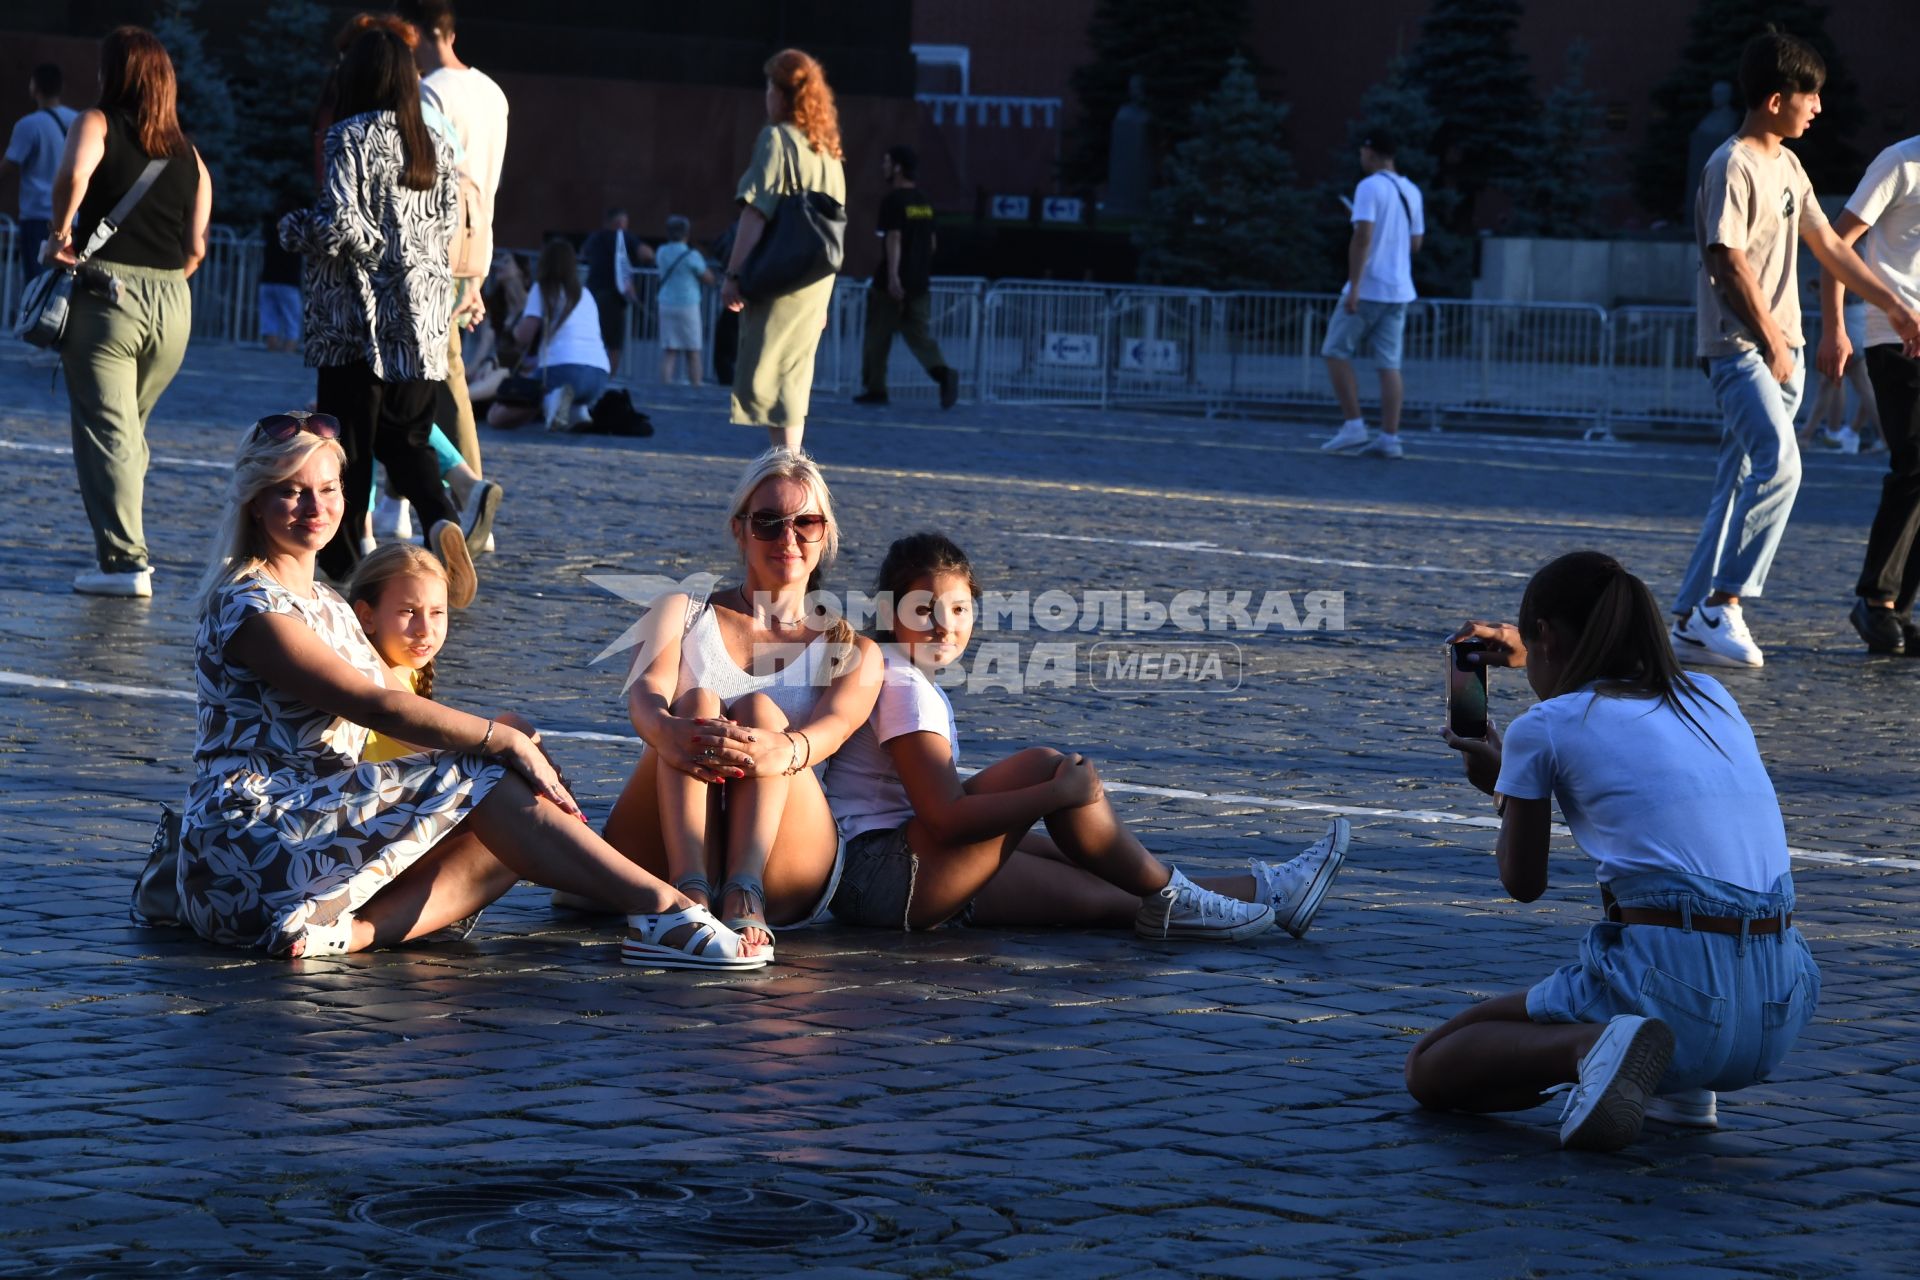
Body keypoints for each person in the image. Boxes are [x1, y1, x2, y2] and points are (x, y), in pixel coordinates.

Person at [175, 412, 761, 969]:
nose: (316, 507)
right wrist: (501, 741)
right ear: (255, 501)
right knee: (496, 777)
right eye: (291, 491)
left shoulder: (325, 602)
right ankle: (667, 909)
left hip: (317, 827)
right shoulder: (249, 605)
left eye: (328, 489)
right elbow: (378, 707)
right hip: (251, 842)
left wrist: (513, 748)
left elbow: (409, 717)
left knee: (517, 810)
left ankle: (350, 934)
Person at [1416, 550, 1820, 1151]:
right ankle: (1681, 1092)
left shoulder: (1544, 725)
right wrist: (1544, 650)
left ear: (1545, 637)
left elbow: (1522, 882)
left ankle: (1596, 1050)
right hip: (1779, 1003)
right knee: (1656, 881)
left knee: (1432, 1061)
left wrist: (1506, 786)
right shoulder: (1711, 698)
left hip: (1678, 991)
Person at [821, 532, 1348, 938]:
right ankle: (1208, 896)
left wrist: (1061, 840)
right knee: (1044, 768)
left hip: (888, 873)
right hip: (886, 880)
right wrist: (1054, 795)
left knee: (1101, 883)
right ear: (891, 612)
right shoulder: (905, 686)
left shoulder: (896, 668)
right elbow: (946, 819)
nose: (945, 625)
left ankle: (1271, 894)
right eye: (924, 610)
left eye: (959, 609)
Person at [1668, 29, 1920, 669]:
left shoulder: (1787, 163)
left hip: (1785, 349)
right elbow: (1728, 264)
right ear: (1778, 98)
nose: (1818, 107)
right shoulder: (1731, 163)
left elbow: (1832, 247)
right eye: (1811, 95)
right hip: (1739, 347)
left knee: (1738, 480)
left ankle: (1688, 616)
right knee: (1782, 465)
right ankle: (1725, 605)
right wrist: (1773, 341)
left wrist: (1891, 305)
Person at [601, 449, 885, 963]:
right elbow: (646, 696)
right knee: (696, 702)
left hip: (787, 854)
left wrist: (774, 747)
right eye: (768, 522)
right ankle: (689, 892)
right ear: (739, 529)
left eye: (806, 523)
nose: (788, 537)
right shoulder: (680, 613)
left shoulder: (851, 648)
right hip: (661, 841)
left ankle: (743, 892)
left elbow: (834, 729)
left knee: (758, 711)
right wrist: (669, 731)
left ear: (826, 534)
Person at [282, 24, 494, 605]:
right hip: (422, 323)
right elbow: (448, 225)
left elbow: (340, 226)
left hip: (357, 323)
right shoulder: (435, 143)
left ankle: (348, 569)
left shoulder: (350, 136)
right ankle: (440, 518)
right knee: (408, 441)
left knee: (346, 449)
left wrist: (295, 227)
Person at [43, 28, 210, 599]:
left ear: (115, 74)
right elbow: (196, 248)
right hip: (174, 305)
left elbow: (72, 176)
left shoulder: (96, 122)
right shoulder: (190, 154)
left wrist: (59, 233)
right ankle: (120, 547)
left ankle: (124, 563)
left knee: (107, 432)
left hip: (108, 296)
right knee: (129, 431)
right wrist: (164, 286)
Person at [399, 0, 508, 489]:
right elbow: (488, 183)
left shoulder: (429, 94)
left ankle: (469, 491)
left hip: (435, 247)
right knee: (436, 371)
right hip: (475, 244)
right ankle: (422, 487)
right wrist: (479, 268)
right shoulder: (492, 93)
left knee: (440, 374)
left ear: (418, 33)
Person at [1820, 133, 1920, 656]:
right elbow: (1837, 243)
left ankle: (1898, 609)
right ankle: (1877, 600)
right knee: (1915, 463)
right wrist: (1834, 326)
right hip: (1896, 336)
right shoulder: (1900, 162)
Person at [722, 48, 847, 453]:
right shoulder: (827, 150)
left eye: (769, 87)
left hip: (778, 275)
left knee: (775, 385)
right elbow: (834, 226)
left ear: (780, 92)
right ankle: (789, 471)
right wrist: (825, 294)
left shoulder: (777, 139)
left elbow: (756, 213)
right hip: (813, 281)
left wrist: (734, 274)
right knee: (793, 383)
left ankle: (788, 476)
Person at [1319, 129, 1423, 461]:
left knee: (1334, 350)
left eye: (1362, 153)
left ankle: (1353, 425)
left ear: (1371, 153)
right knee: (1389, 365)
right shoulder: (1411, 190)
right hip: (1399, 290)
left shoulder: (1368, 187)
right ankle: (1390, 437)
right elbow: (1415, 243)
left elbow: (1362, 237)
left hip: (1369, 287)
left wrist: (1355, 285)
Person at [853, 146, 959, 410]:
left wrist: (893, 277)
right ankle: (943, 373)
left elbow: (894, 237)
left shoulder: (893, 201)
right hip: (920, 283)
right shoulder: (924, 202)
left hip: (892, 284)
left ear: (898, 167)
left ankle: (875, 388)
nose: (884, 167)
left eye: (887, 162)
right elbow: (931, 244)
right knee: (919, 335)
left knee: (877, 335)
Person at [484, 238, 610, 431]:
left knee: (496, 417)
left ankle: (553, 399)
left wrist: (513, 330)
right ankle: (577, 409)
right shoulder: (586, 294)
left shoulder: (542, 289)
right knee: (565, 386)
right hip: (599, 375)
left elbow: (524, 336)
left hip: (562, 370)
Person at [2, 63, 79, 285]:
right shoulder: (78, 120)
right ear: (60, 87)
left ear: (34, 87)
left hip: (37, 216)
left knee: (36, 283)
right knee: (64, 284)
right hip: (72, 217)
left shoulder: (29, 125)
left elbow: (9, 165)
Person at [1797, 281, 1879, 454]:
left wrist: (1824, 292)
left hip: (1848, 316)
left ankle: (1812, 434)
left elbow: (1846, 280)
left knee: (1856, 382)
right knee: (1834, 379)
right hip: (1851, 315)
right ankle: (1829, 433)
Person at [582, 205, 654, 374]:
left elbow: (584, 253)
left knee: (594, 337)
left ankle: (593, 372)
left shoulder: (595, 238)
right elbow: (647, 254)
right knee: (614, 343)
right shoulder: (625, 238)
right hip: (613, 297)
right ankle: (608, 378)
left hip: (592, 295)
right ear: (621, 222)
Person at [656, 214, 713, 385]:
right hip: (688, 305)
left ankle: (664, 387)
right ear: (686, 234)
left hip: (665, 303)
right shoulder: (691, 255)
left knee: (670, 350)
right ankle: (696, 388)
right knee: (693, 351)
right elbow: (708, 278)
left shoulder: (661, 251)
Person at [258, 191, 304, 354]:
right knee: (292, 318)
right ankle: (289, 349)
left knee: (269, 317)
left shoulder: (270, 230)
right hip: (288, 282)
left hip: (268, 279)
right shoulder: (297, 232)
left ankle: (272, 347)